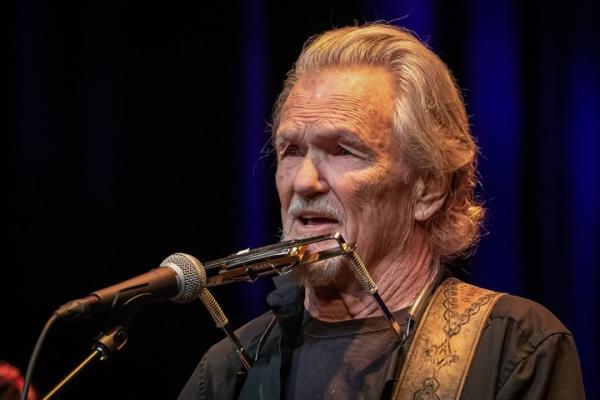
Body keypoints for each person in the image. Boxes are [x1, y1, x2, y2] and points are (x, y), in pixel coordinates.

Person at [178, 24, 585, 399]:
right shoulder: (227, 371)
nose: (303, 182)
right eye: (292, 150)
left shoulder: (514, 347)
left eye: (342, 151)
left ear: (430, 187)